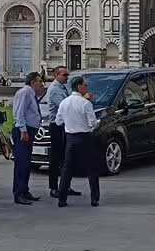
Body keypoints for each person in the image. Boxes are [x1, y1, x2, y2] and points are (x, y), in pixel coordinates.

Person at [56, 76, 100, 208]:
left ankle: (62, 199)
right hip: (84, 137)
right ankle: (94, 198)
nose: (86, 87)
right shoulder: (85, 103)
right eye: (85, 85)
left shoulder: (64, 102)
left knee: (66, 169)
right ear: (79, 87)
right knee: (91, 169)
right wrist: (92, 126)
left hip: (70, 138)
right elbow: (92, 122)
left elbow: (58, 121)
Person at [46, 65, 80, 199]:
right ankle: (54, 187)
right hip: (57, 126)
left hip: (64, 126)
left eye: (67, 75)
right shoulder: (55, 90)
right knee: (56, 158)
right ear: (57, 75)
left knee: (66, 158)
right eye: (64, 75)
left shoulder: (62, 88)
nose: (67, 77)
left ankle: (65, 186)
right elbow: (65, 106)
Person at [11, 71, 44, 205]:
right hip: (23, 132)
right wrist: (23, 131)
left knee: (27, 162)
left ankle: (25, 190)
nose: (41, 84)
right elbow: (19, 113)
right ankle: (18, 193)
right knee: (21, 163)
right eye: (39, 81)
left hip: (29, 131)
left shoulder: (31, 94)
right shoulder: (24, 93)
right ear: (32, 82)